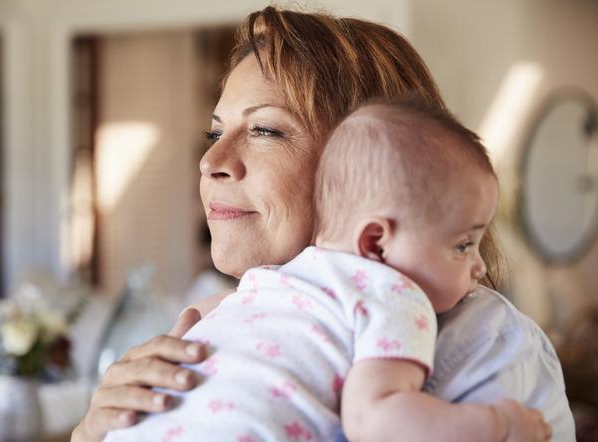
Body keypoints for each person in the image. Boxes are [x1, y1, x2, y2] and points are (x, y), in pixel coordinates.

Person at [72, 7, 574, 442]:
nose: (211, 160)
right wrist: (96, 429)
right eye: (215, 131)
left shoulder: (486, 344)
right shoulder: (219, 321)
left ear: (371, 166)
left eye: (265, 129)